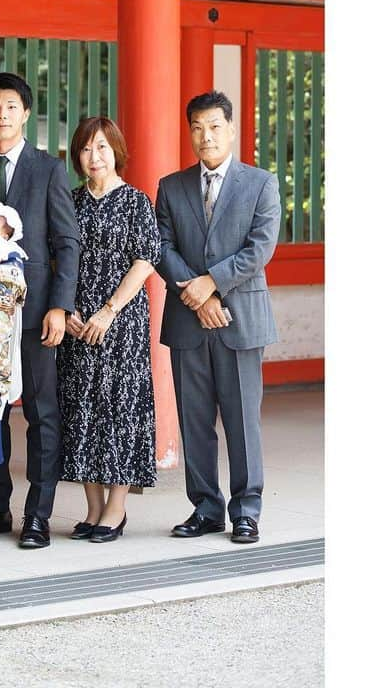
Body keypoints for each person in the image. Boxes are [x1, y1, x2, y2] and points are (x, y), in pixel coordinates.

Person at [0, 72, 80, 550]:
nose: (1, 114)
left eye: (10, 106)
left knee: (41, 412)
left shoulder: (48, 169)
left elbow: (66, 242)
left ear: (25, 113)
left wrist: (59, 306)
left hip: (34, 315)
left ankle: (38, 514)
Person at [155, 90, 281, 545]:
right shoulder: (171, 186)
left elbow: (260, 248)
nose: (205, 136)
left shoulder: (261, 184)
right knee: (195, 421)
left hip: (241, 320)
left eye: (214, 126)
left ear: (230, 129)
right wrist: (198, 295)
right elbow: (161, 248)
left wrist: (212, 282)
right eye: (197, 127)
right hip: (190, 320)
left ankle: (245, 510)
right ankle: (205, 509)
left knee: (243, 420)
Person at [58, 117, 161, 543]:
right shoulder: (71, 200)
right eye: (85, 149)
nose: (93, 157)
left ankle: (116, 509)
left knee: (119, 409)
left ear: (116, 150)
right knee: (82, 407)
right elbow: (57, 258)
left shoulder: (136, 201)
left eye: (101, 147)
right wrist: (67, 310)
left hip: (120, 321)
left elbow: (145, 259)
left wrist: (108, 311)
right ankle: (93, 507)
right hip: (77, 322)